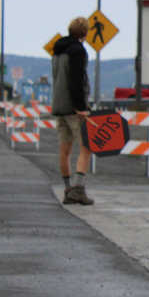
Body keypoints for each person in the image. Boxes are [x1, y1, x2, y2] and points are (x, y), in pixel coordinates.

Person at [50, 17, 94, 205]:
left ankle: (68, 189)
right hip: (73, 109)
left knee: (65, 150)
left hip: (58, 106)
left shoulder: (57, 51)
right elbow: (76, 80)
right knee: (87, 146)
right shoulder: (78, 51)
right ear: (85, 33)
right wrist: (81, 107)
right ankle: (78, 189)